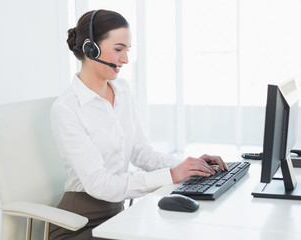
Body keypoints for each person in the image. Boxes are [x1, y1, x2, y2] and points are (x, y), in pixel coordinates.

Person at [49, 9, 228, 240]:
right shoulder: (66, 109)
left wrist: (188, 166)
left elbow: (142, 153)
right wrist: (172, 175)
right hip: (77, 226)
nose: (125, 59)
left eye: (127, 50)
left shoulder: (122, 90)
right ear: (89, 48)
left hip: (117, 217)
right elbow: (100, 185)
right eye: (118, 49)